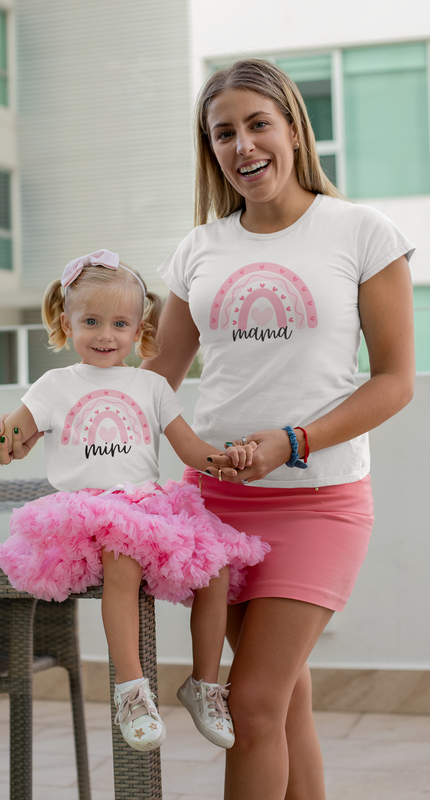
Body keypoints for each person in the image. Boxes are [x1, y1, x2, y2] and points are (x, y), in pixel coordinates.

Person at [142, 59, 415, 800]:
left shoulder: (361, 230)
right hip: (215, 504)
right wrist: (66, 414)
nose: (241, 145)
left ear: (292, 129)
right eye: (222, 132)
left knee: (252, 702)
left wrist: (291, 443)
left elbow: (393, 380)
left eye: (257, 124)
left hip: (318, 500)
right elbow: (155, 380)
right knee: (282, 702)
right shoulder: (197, 249)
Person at [0, 249, 270, 755]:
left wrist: (226, 459)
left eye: (120, 324)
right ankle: (132, 692)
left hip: (148, 504)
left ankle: (204, 686)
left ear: (139, 327)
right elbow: (2, 435)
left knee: (216, 569)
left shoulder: (153, 386)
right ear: (65, 321)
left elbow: (190, 449)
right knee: (122, 561)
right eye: (91, 321)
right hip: (89, 511)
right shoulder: (55, 387)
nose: (105, 335)